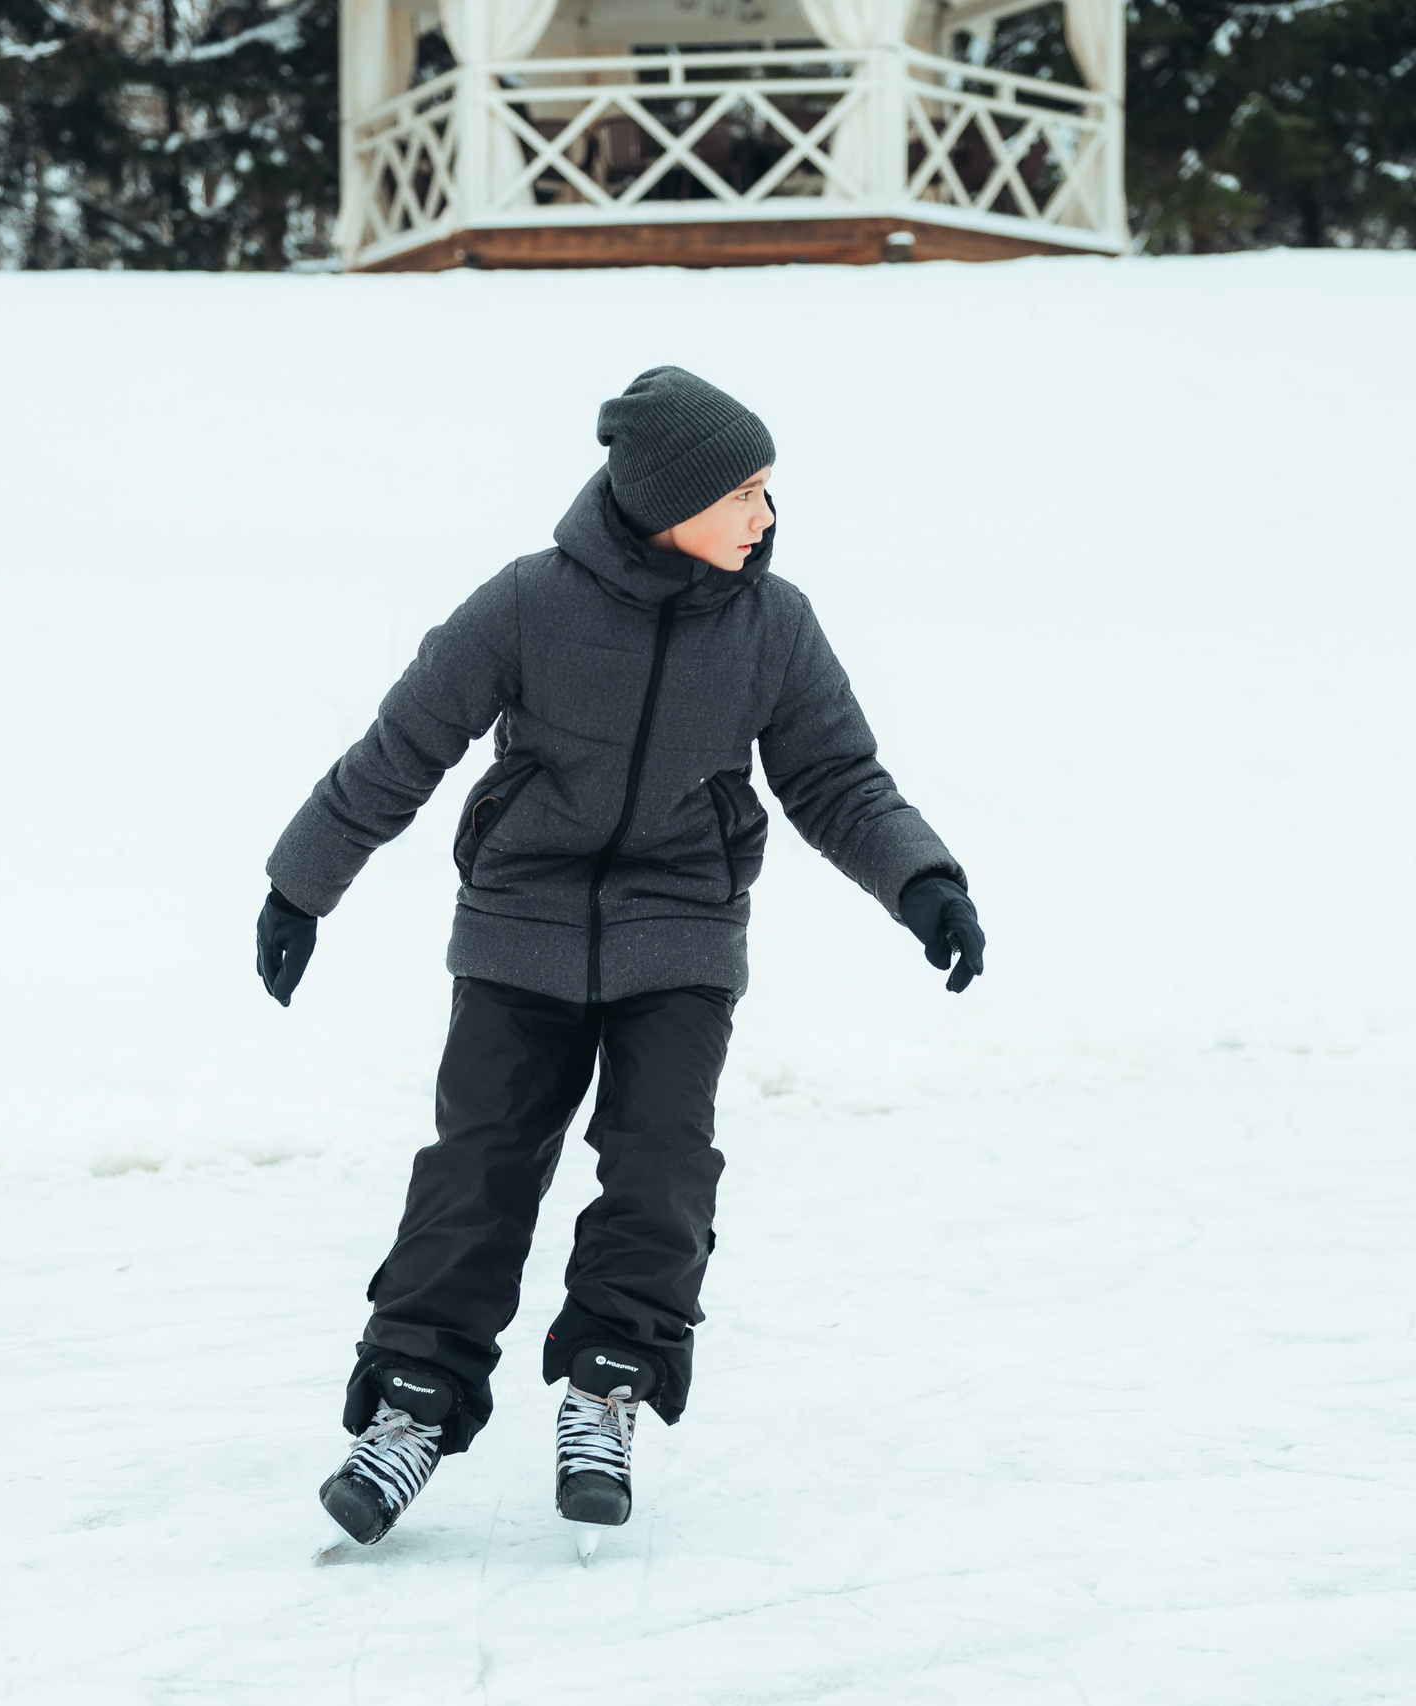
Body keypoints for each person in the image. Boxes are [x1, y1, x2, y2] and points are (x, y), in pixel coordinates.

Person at [257, 366, 985, 1551]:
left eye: (767, 490)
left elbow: (837, 777)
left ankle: (606, 1384)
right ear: (667, 499)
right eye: (744, 491)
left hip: (682, 928)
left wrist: (923, 879)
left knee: (660, 1164)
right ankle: (411, 1407)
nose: (765, 514)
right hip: (519, 924)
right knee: (477, 1167)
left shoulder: (773, 623)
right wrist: (302, 884)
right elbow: (405, 744)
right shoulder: (526, 604)